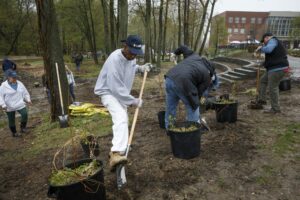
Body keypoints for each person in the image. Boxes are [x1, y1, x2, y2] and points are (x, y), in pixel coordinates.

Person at [94, 35, 152, 171]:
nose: (133, 56)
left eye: (136, 54)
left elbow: (130, 66)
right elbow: (115, 87)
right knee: (120, 117)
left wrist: (140, 68)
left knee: (123, 119)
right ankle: (116, 153)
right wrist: (133, 101)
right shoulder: (115, 59)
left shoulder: (130, 57)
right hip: (108, 92)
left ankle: (118, 148)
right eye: (132, 52)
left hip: (120, 94)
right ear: (125, 46)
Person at [164, 45, 215, 128]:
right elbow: (198, 94)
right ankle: (193, 128)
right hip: (183, 82)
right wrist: (198, 104)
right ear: (211, 72)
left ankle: (169, 127)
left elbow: (183, 48)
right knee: (193, 106)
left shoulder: (194, 56)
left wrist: (174, 53)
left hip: (169, 78)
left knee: (171, 106)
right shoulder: (207, 77)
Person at [253, 32, 289, 113]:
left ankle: (275, 109)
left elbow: (269, 50)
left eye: (264, 41)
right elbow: (272, 59)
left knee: (273, 87)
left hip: (277, 69)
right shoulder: (273, 43)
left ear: (267, 38)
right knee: (263, 80)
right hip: (274, 68)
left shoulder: (273, 40)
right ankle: (262, 99)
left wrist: (260, 48)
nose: (264, 43)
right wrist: (262, 64)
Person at [0, 69, 32, 137]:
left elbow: (25, 92)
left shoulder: (20, 83)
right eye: (13, 77)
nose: (15, 79)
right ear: (8, 77)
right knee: (11, 120)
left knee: (25, 114)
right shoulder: (3, 86)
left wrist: (28, 100)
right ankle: (14, 133)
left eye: (15, 77)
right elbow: (0, 96)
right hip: (9, 106)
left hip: (19, 103)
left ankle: (23, 128)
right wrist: (3, 105)